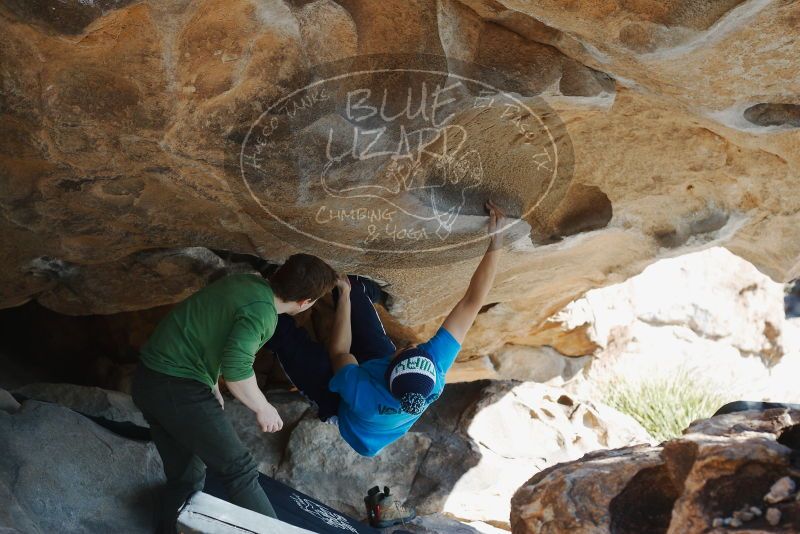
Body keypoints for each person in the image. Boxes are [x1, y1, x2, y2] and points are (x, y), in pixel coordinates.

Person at [266, 201, 506, 459]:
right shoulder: (433, 368)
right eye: (417, 350)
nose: (412, 346)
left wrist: (344, 298)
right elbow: (472, 302)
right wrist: (496, 242)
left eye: (403, 350)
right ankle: (371, 292)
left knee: (282, 333)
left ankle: (267, 302)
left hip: (344, 410)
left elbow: (340, 352)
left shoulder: (364, 397)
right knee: (354, 285)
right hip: (381, 375)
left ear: (389, 364)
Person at [131, 254, 338, 533]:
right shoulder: (263, 312)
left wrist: (211, 383)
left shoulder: (244, 283)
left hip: (148, 380)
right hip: (177, 386)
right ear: (305, 303)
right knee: (239, 469)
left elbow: (206, 331)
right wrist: (263, 407)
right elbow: (237, 368)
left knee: (186, 476)